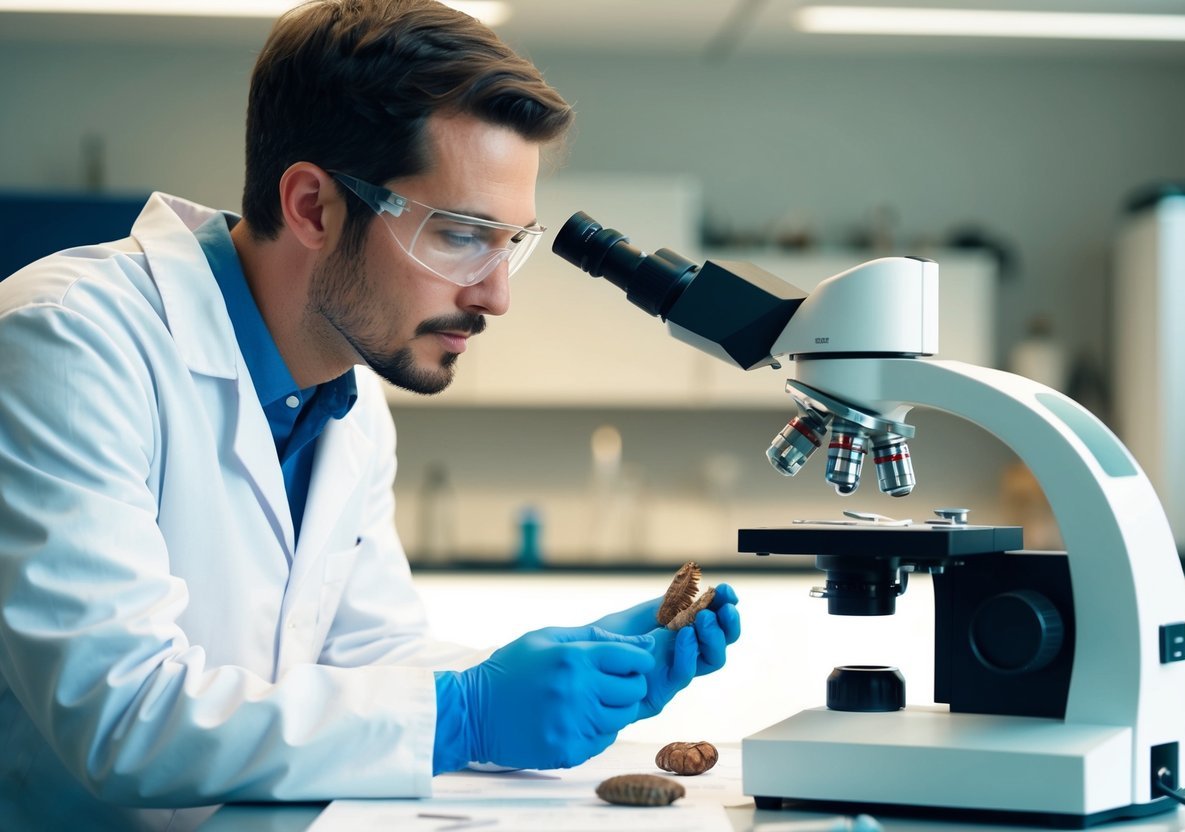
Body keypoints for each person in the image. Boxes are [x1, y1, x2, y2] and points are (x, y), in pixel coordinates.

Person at [0, 2, 741, 830]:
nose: (496, 294)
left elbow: (369, 658)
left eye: (510, 244)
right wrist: (466, 713)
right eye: (461, 234)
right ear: (314, 207)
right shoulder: (67, 342)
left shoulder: (349, 401)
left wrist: (564, 675)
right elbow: (120, 717)